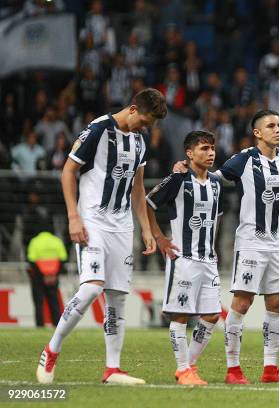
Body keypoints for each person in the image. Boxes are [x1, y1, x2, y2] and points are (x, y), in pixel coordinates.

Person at [36, 88, 168, 385]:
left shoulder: (140, 141)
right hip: (92, 220)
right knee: (93, 288)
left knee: (118, 297)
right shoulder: (98, 129)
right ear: (133, 109)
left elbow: (137, 187)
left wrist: (146, 228)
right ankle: (51, 349)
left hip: (122, 226)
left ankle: (112, 369)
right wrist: (73, 216)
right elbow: (69, 171)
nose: (145, 129)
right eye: (144, 122)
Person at [217, 110, 279, 384]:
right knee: (242, 302)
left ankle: (270, 369)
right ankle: (233, 369)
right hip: (251, 242)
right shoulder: (244, 159)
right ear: (257, 132)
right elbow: (214, 178)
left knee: (277, 303)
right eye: (271, 126)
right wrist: (188, 170)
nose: (278, 130)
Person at [146, 130, 223, 385]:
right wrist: (160, 239)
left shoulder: (215, 183)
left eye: (212, 148)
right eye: (203, 148)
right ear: (189, 154)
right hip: (184, 259)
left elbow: (214, 220)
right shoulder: (178, 178)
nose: (210, 153)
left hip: (208, 260)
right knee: (180, 317)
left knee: (211, 316)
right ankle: (183, 369)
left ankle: (188, 366)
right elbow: (149, 203)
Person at [27, 230, 68, 327]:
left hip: (38, 278)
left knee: (38, 303)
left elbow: (31, 261)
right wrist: (54, 275)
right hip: (53, 277)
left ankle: (40, 325)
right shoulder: (57, 241)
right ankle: (57, 325)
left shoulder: (34, 241)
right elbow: (63, 259)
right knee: (54, 302)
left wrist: (43, 275)